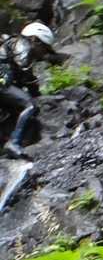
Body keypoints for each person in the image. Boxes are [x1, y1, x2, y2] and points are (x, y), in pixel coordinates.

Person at [0, 22, 68, 158]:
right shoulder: (22, 44)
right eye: (44, 48)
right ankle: (14, 143)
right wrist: (35, 92)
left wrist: (34, 89)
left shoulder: (15, 45)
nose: (44, 53)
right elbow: (24, 71)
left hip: (3, 83)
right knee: (30, 105)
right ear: (35, 39)